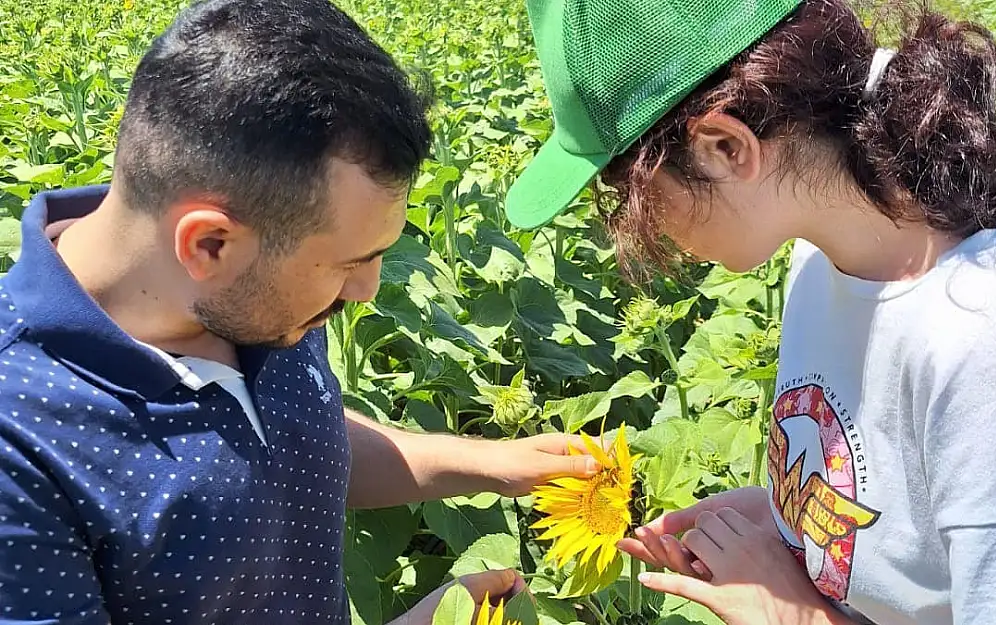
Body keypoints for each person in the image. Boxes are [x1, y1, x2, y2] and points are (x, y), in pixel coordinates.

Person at [505, 0, 996, 623]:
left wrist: (791, 615)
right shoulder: (828, 254)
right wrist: (790, 519)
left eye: (628, 189)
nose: (631, 225)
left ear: (726, 147)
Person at [0, 1, 601, 623]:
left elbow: (290, 439)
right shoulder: (20, 445)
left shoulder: (254, 296)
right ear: (210, 244)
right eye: (349, 263)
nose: (366, 290)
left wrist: (492, 466)